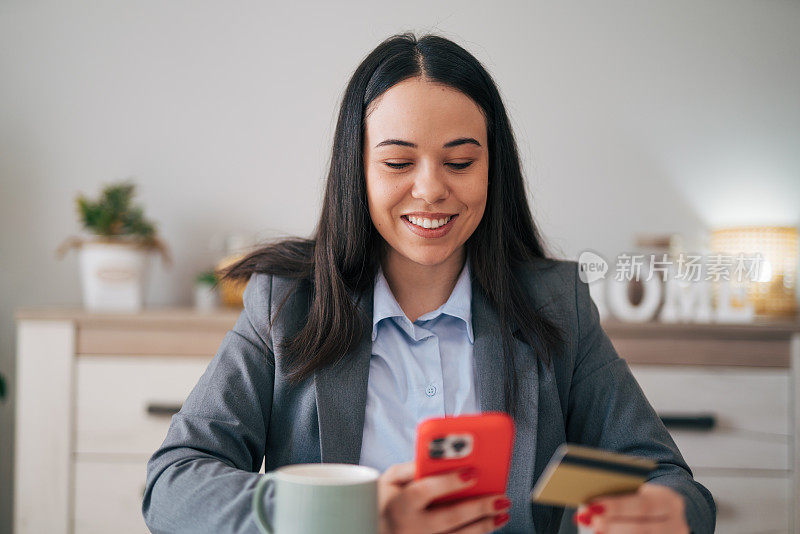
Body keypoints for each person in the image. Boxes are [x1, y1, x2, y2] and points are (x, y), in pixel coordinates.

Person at [142, 33, 715, 534]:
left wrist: (668, 511)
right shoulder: (286, 304)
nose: (431, 190)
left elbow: (669, 481)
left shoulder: (555, 304)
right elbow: (172, 485)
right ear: (358, 170)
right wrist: (352, 513)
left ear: (494, 169)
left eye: (460, 162)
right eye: (398, 164)